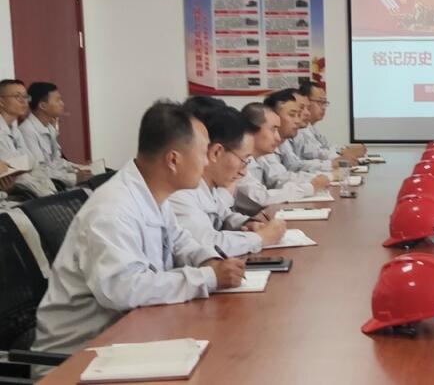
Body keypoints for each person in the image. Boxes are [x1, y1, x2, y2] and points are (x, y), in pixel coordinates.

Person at [31, 101, 245, 358]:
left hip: (130, 335)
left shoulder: (153, 193)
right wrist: (208, 278)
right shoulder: (113, 210)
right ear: (173, 160)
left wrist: (209, 260)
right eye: (203, 153)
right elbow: (125, 289)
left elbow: (180, 241)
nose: (207, 162)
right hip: (78, 357)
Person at [168, 101, 287, 256]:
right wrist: (259, 238)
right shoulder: (181, 190)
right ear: (216, 152)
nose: (243, 172)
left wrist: (247, 224)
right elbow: (204, 243)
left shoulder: (209, 186)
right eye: (243, 160)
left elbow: (223, 216)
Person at [233, 102, 330, 215]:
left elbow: (280, 180)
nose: (278, 138)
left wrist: (317, 181)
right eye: (273, 130)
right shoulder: (238, 161)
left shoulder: (260, 158)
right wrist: (310, 187)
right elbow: (262, 198)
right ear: (250, 131)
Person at [19, 82, 87, 187]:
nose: (62, 104)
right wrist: (74, 177)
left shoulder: (50, 128)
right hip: (47, 186)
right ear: (43, 106)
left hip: (59, 182)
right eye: (58, 100)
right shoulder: (27, 131)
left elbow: (57, 162)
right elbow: (39, 170)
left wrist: (80, 168)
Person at [0, 79, 56, 196]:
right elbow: (16, 169)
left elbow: (31, 164)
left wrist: (50, 192)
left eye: (26, 97)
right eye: (17, 96)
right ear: (1, 101)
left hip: (26, 190)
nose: (24, 101)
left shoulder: (15, 131)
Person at [294, 82, 365, 163]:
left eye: (325, 103)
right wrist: (344, 155)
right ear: (306, 101)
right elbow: (316, 154)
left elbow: (326, 147)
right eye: (320, 102)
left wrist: (344, 151)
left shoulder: (312, 128)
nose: (324, 107)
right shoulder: (300, 129)